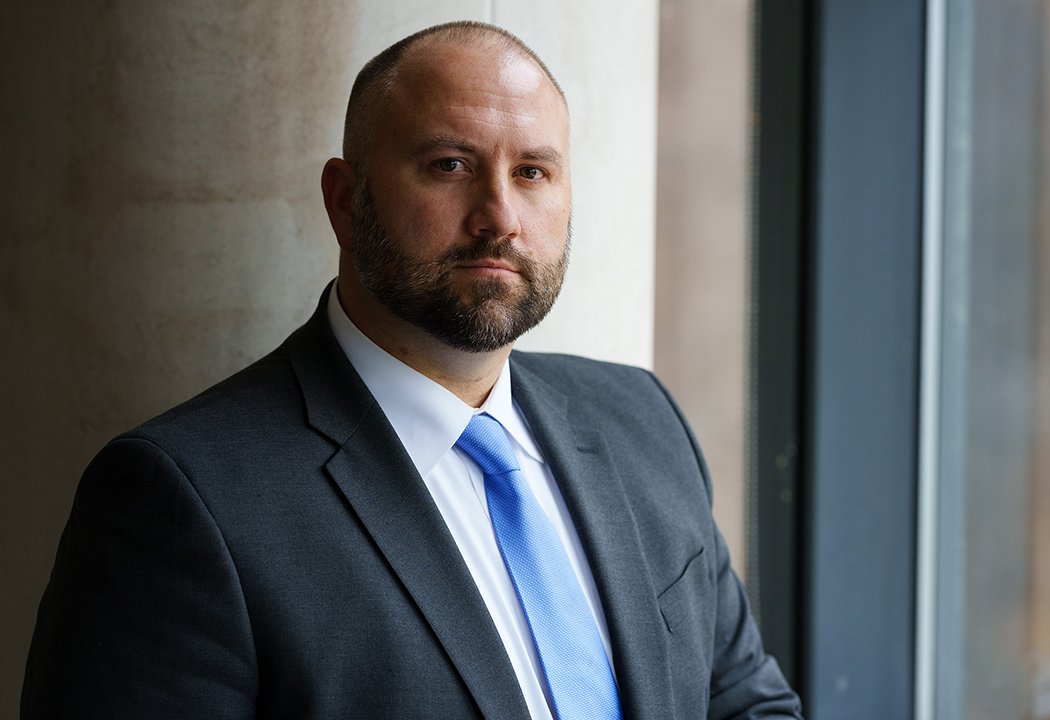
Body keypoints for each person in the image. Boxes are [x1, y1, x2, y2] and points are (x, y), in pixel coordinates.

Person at [22, 20, 803, 720]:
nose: (499, 216)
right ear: (343, 201)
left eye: (533, 172)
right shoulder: (183, 500)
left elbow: (745, 704)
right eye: (450, 164)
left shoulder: (640, 419)